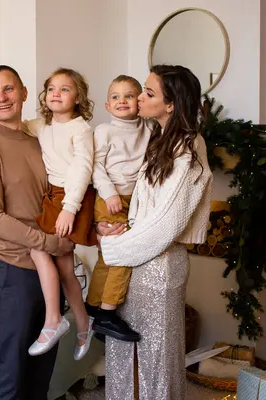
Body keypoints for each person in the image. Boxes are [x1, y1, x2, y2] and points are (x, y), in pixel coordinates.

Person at [97, 65, 213, 400]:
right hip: (136, 261)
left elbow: (166, 223)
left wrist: (113, 246)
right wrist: (115, 229)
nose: (139, 98)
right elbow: (143, 209)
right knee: (123, 352)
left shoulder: (189, 148)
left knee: (155, 359)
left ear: (171, 104)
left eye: (148, 93)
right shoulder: (159, 138)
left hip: (159, 269)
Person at [0, 65, 74, 400]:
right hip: (14, 269)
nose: (2, 97)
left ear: (25, 92)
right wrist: (48, 243)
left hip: (52, 268)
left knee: (41, 372)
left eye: (9, 89)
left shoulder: (41, 139)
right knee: (10, 369)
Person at [0, 68, 96, 361]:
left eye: (65, 89)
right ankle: (82, 323)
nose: (57, 94)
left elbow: (84, 169)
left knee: (41, 251)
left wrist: (70, 208)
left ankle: (55, 320)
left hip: (70, 199)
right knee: (65, 268)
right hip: (55, 200)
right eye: (52, 89)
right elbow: (22, 124)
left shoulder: (80, 129)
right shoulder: (42, 126)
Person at [85, 75, 153, 342]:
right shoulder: (104, 131)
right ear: (107, 105)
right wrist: (110, 193)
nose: (122, 101)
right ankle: (108, 313)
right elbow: (96, 166)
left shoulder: (147, 129)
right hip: (110, 198)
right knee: (122, 254)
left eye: (128, 96)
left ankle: (94, 304)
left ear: (139, 102)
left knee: (109, 257)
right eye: (115, 97)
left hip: (134, 200)